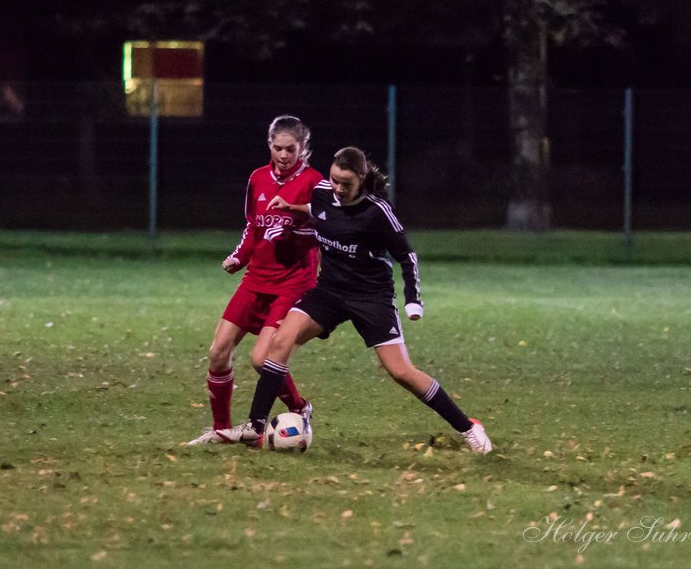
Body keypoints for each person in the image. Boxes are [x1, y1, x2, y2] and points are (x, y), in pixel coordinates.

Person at [217, 146, 493, 454]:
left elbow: (407, 255)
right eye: (334, 180)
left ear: (361, 179)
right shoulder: (323, 193)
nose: (337, 188)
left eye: (345, 184)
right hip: (330, 292)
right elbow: (317, 208)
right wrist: (293, 206)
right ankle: (255, 426)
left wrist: (413, 299)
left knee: (400, 371)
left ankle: (468, 428)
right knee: (280, 343)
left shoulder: (377, 212)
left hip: (371, 296)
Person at [187, 115, 325, 445]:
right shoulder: (258, 178)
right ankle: (221, 429)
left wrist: (294, 222)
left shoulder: (315, 182)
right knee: (218, 351)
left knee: (262, 359)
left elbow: (326, 228)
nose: (283, 155)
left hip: (293, 282)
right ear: (269, 144)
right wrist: (240, 256)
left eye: (290, 149)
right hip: (256, 278)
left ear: (302, 149)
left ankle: (300, 408)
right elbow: (254, 226)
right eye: (277, 148)